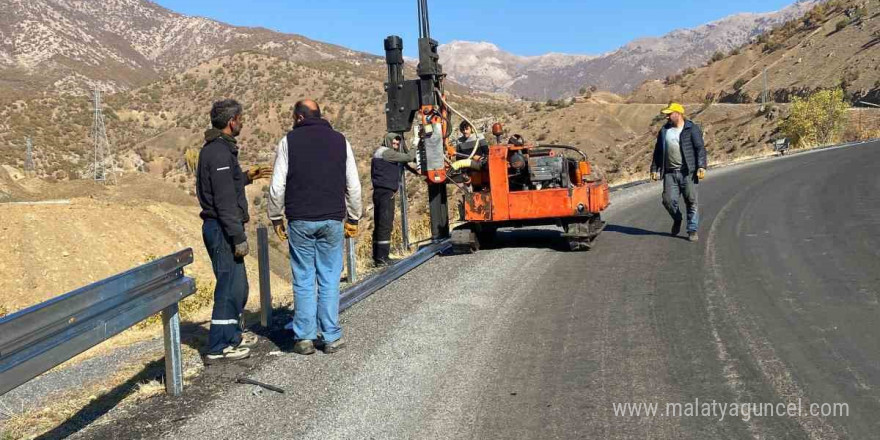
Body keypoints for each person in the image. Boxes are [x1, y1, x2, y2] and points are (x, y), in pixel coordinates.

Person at [267, 99, 362, 355]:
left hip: (300, 220)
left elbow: (277, 187)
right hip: (332, 219)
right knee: (330, 278)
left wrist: (276, 217)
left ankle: (304, 338)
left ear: (299, 117)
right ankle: (331, 336)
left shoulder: (288, 142)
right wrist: (353, 217)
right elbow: (353, 184)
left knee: (304, 278)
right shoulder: (340, 140)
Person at [196, 99, 272, 363]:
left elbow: (229, 182)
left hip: (223, 227)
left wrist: (248, 176)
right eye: (241, 118)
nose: (242, 122)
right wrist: (238, 237)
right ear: (232, 121)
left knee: (237, 286)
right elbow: (225, 200)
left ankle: (231, 337)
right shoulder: (218, 153)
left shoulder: (219, 150)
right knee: (229, 286)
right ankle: (219, 346)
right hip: (222, 229)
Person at [650, 103, 707, 242]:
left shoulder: (691, 129)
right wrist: (654, 169)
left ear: (678, 113)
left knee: (691, 201)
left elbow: (700, 148)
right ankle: (677, 218)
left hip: (688, 172)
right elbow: (658, 152)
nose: (667, 116)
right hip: (669, 173)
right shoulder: (664, 130)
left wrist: (701, 166)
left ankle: (692, 230)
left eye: (670, 114)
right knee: (667, 200)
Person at [371, 133, 416, 266]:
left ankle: (377, 256)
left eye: (397, 144)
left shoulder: (380, 152)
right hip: (386, 193)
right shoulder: (387, 153)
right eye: (394, 143)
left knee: (379, 223)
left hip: (379, 192)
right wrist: (415, 144)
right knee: (385, 224)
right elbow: (409, 157)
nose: (396, 146)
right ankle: (383, 258)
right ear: (388, 141)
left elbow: (404, 162)